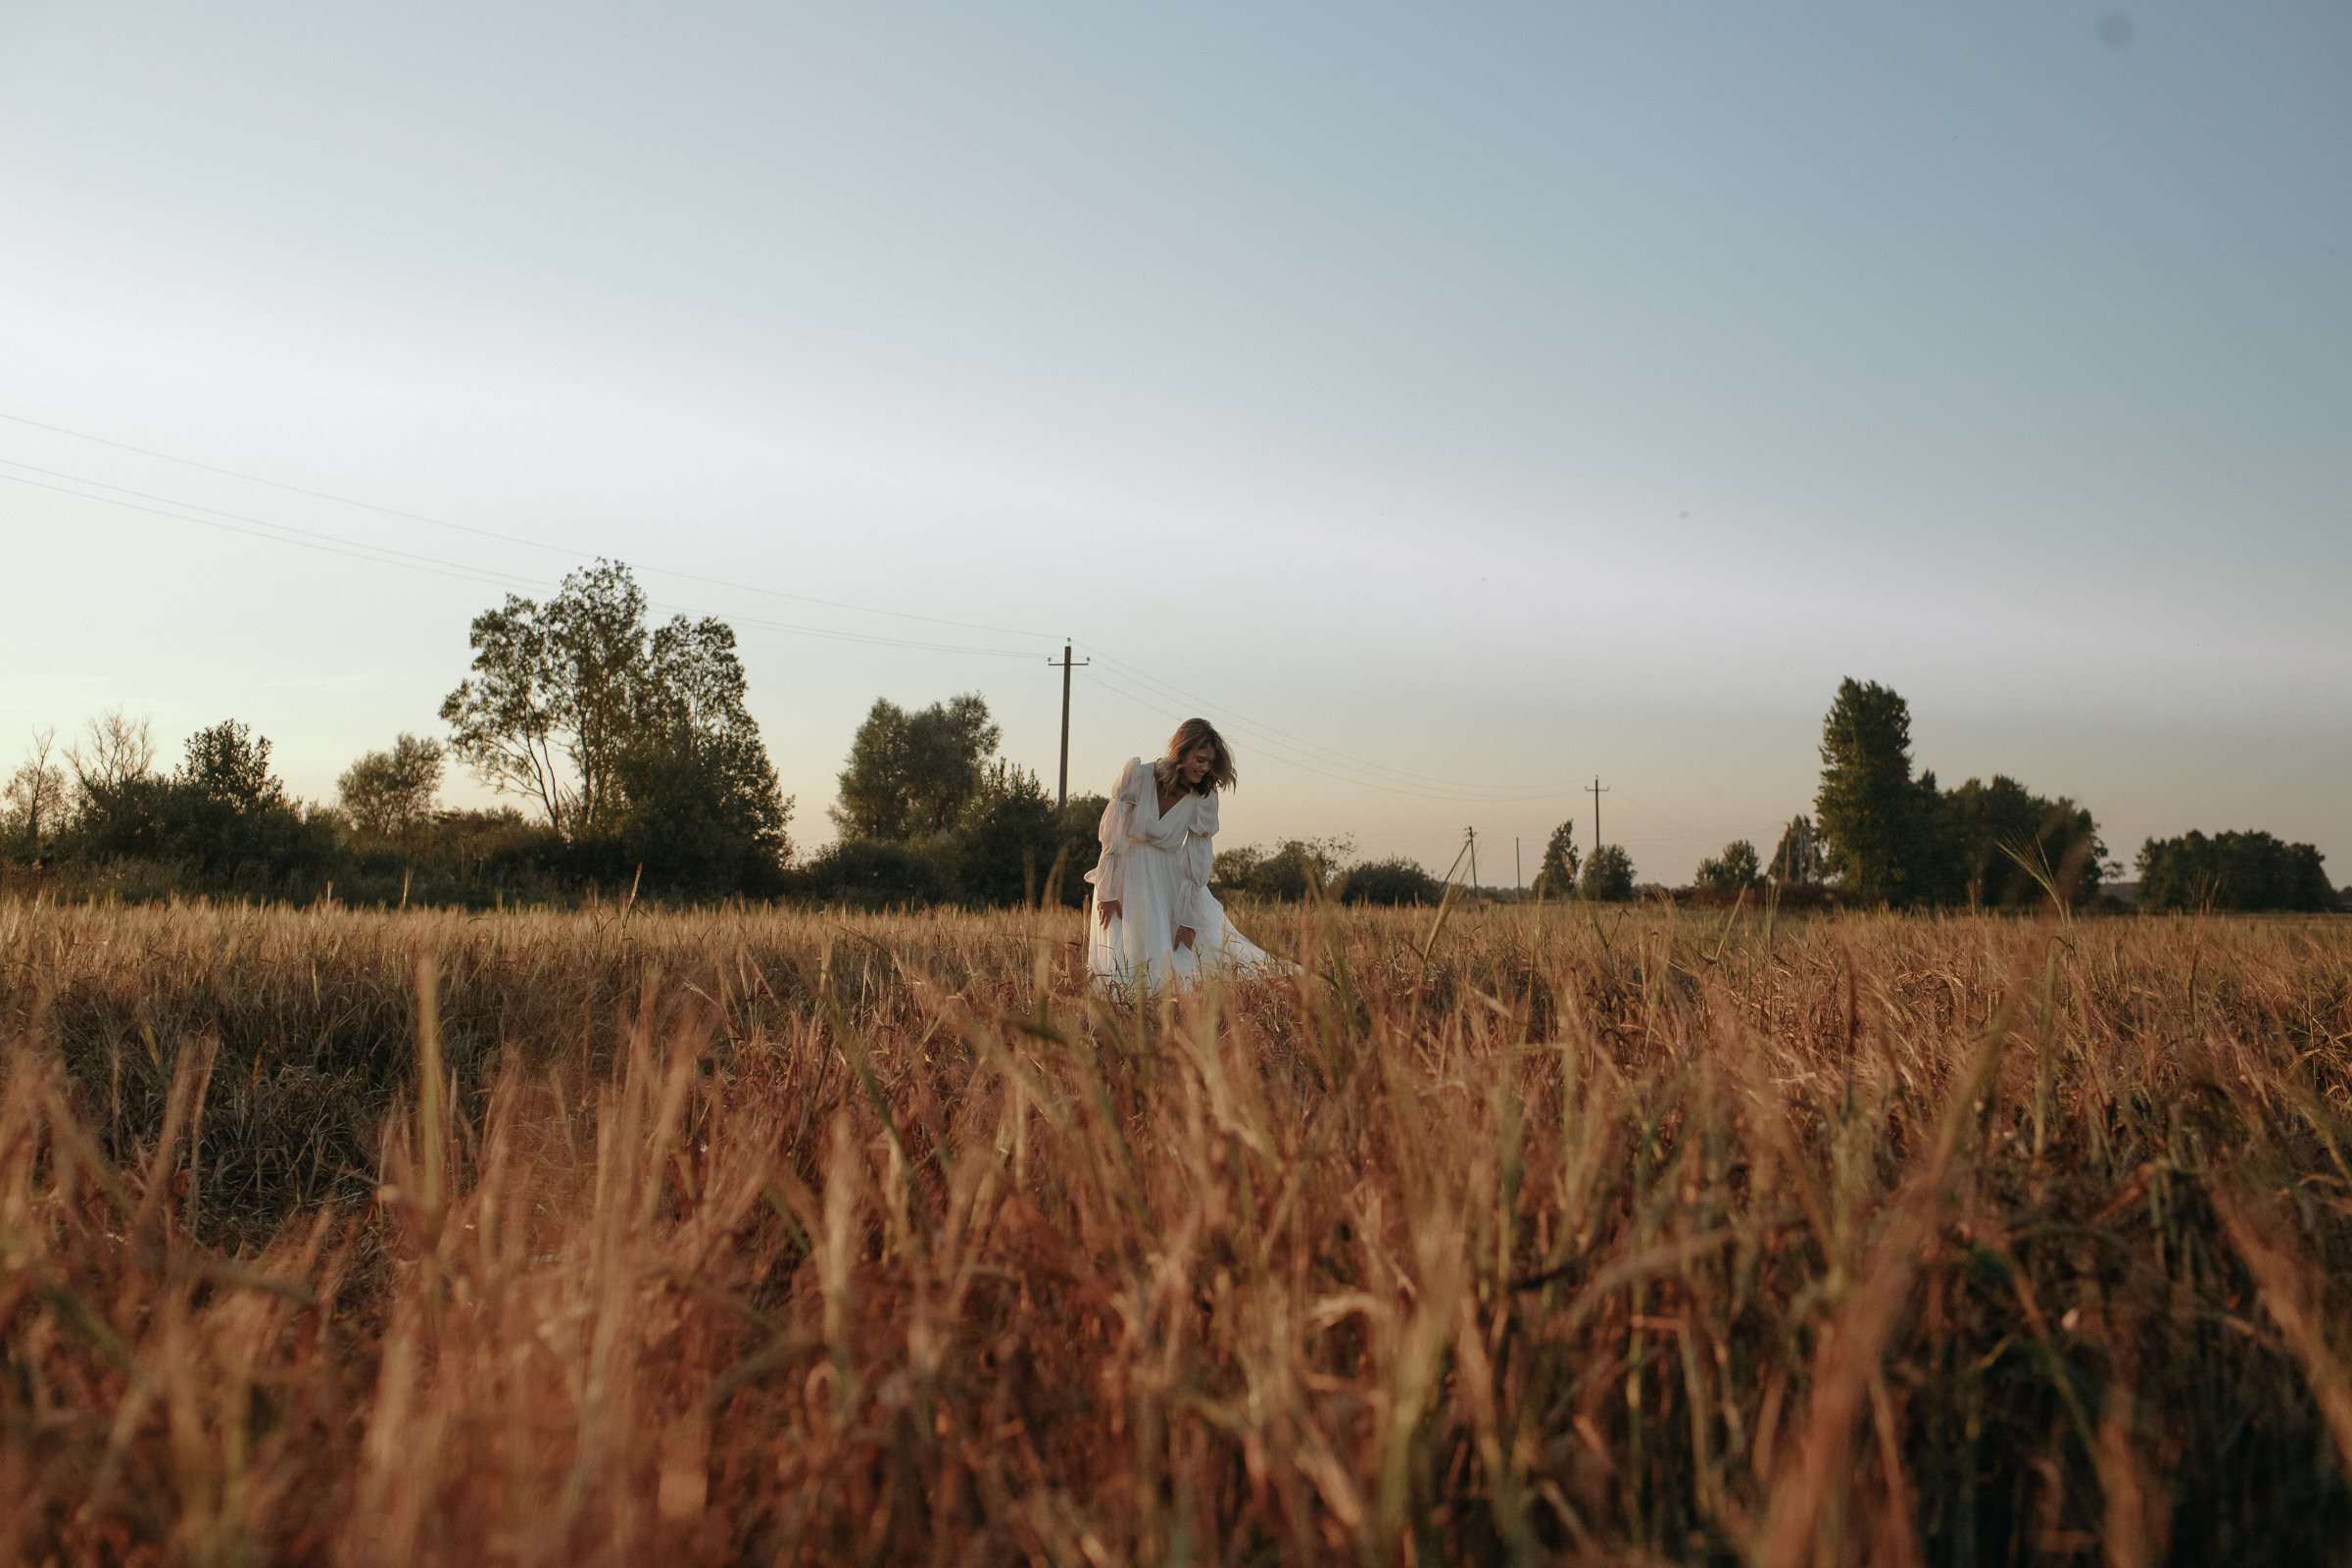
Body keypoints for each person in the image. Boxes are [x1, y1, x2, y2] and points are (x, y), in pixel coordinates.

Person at [1085, 718, 1283, 990]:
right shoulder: (1138, 776)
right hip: (1126, 875)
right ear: (1181, 751)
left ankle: (1165, 1009)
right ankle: (1128, 1013)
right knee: (1123, 952)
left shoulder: (1203, 797)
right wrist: (1107, 891)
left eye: (1209, 763)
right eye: (1200, 759)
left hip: (1169, 879)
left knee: (1175, 952)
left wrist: (1189, 919)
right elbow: (1112, 837)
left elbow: (1197, 854)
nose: (1204, 768)